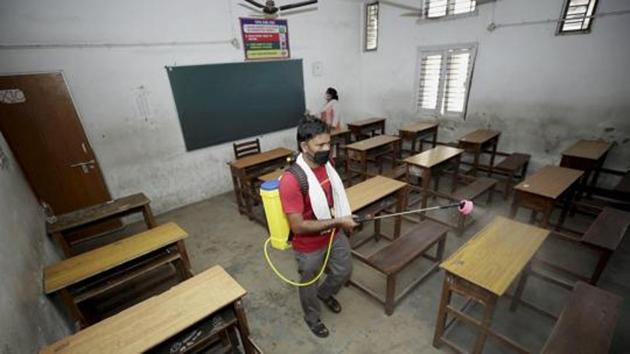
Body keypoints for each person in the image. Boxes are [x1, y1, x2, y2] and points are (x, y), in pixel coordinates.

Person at [279, 117, 358, 338]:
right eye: (320, 145)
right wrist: (339, 222)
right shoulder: (291, 180)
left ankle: (325, 294)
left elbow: (333, 198)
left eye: (328, 144)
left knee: (344, 270)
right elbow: (298, 226)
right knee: (308, 283)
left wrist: (344, 216)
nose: (327, 149)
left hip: (334, 234)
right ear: (304, 147)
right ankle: (312, 317)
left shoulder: (327, 165)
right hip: (308, 245)